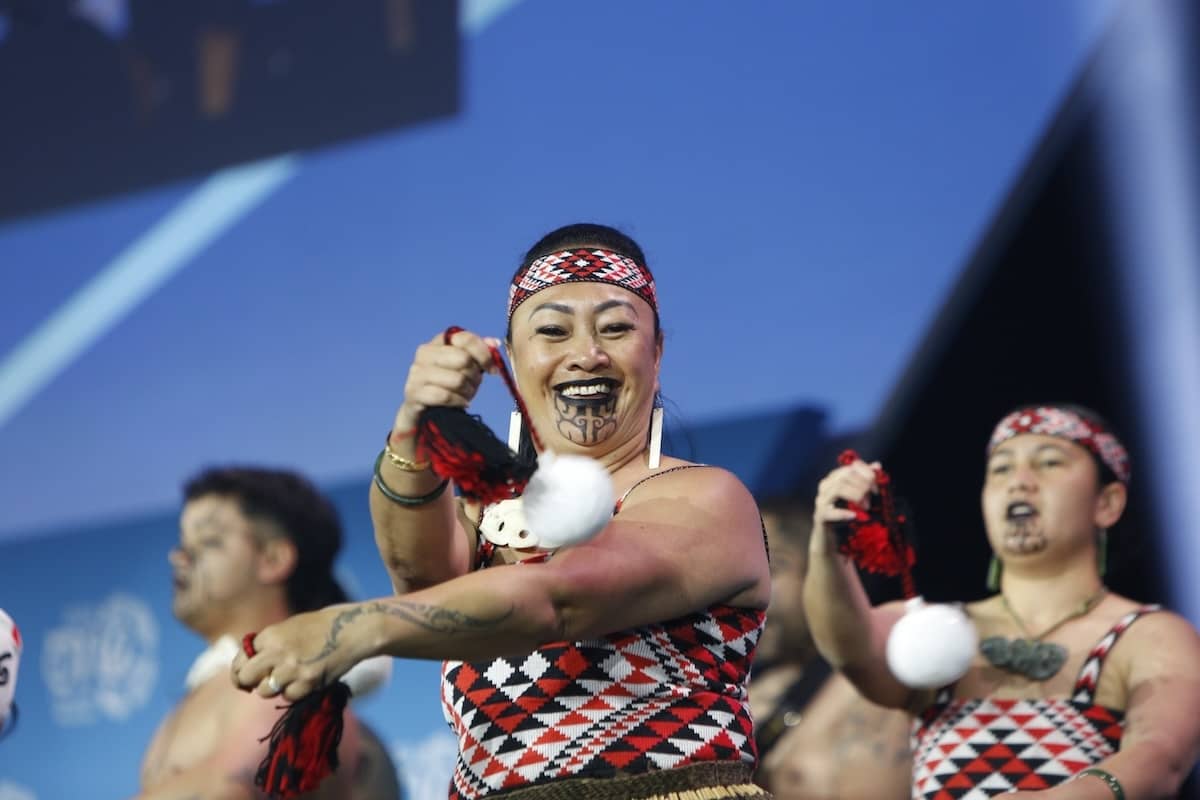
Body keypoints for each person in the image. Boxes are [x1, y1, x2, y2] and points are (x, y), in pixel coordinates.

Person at [232, 223, 772, 799]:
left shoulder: (708, 499)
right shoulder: (480, 519)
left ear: (657, 353)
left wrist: (359, 627)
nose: (586, 354)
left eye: (615, 329)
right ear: (511, 360)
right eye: (553, 331)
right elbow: (420, 580)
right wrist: (417, 420)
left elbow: (559, 598)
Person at [803, 404, 1200, 799]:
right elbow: (849, 646)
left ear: (1107, 502)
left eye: (1048, 463)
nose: (1019, 482)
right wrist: (829, 542)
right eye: (1001, 469)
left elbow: (1160, 755)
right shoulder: (934, 627)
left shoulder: (1147, 634)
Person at [137, 467, 400, 800]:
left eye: (208, 542)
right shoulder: (211, 687)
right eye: (182, 542)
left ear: (273, 559)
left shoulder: (283, 683)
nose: (180, 557)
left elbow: (229, 791)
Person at [751, 497, 910, 800]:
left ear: (826, 574)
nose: (751, 590)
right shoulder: (746, 687)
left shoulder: (883, 677)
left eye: (775, 566)